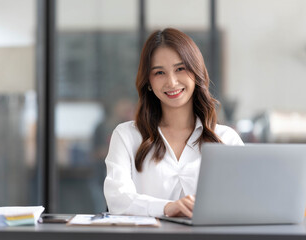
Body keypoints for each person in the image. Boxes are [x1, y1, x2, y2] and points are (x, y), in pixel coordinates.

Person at [103, 28, 244, 218]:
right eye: (159, 72)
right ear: (148, 82)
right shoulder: (127, 135)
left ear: (196, 72)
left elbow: (244, 200)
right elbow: (117, 200)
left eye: (180, 69)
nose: (171, 82)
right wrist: (168, 207)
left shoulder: (226, 138)